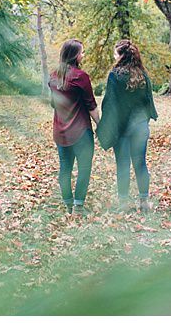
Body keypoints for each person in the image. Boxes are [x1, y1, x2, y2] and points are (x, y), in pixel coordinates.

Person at [97, 40, 158, 213]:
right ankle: (144, 202)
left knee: (122, 164)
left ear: (122, 55)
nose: (114, 57)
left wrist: (106, 126)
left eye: (115, 53)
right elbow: (148, 103)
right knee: (141, 164)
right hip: (140, 127)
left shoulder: (114, 75)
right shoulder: (143, 75)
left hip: (121, 128)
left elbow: (110, 103)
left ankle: (123, 203)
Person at [48, 39, 100, 216]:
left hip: (60, 131)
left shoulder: (53, 76)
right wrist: (101, 125)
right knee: (84, 168)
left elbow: (54, 104)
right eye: (82, 52)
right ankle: (78, 207)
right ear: (76, 55)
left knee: (65, 168)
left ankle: (68, 204)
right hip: (80, 132)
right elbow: (91, 106)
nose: (83, 55)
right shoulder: (81, 76)